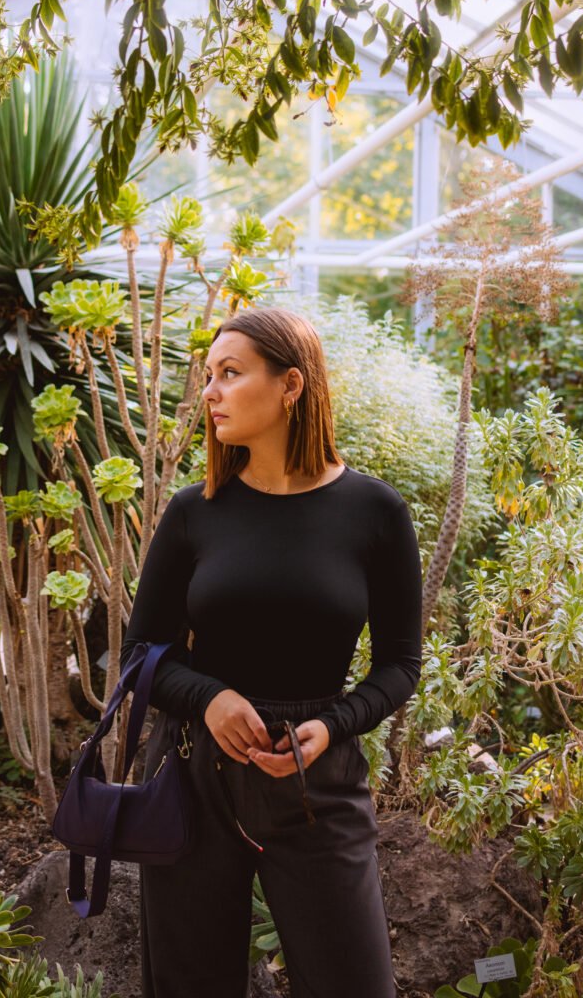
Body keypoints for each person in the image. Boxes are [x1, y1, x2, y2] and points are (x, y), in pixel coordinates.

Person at [119, 305, 423, 998]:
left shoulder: (376, 512)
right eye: (208, 376)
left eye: (230, 374)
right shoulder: (195, 511)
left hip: (318, 777)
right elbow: (139, 652)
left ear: (291, 385)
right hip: (194, 772)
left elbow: (400, 664)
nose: (211, 392)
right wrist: (210, 697)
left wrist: (334, 725)